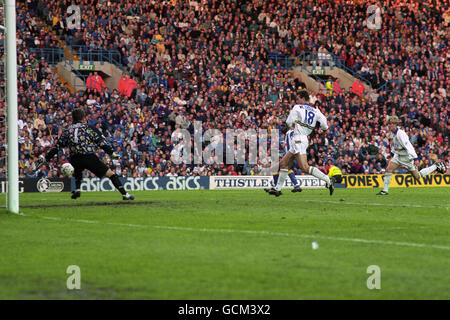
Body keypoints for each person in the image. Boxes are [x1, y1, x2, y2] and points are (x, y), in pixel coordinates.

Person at [35, 108, 135, 200]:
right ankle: (125, 194)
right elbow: (101, 142)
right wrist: (111, 153)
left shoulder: (67, 130)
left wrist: (45, 158)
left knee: (78, 173)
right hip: (88, 156)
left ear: (73, 118)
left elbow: (56, 147)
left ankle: (78, 189)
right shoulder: (88, 128)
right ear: (83, 117)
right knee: (111, 174)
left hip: (74, 158)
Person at [268, 90, 335, 196]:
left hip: (299, 139)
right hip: (303, 139)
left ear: (303, 99)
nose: (297, 100)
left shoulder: (297, 108)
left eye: (298, 98)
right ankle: (278, 188)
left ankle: (328, 180)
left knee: (304, 167)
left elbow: (289, 122)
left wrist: (291, 124)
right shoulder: (316, 110)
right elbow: (325, 126)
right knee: (283, 163)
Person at [376, 115, 446, 195]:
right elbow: (394, 144)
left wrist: (415, 158)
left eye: (390, 124)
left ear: (395, 124)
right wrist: (392, 153)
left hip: (406, 158)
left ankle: (435, 166)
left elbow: (409, 146)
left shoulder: (401, 134)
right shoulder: (393, 133)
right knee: (388, 169)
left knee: (417, 176)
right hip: (398, 156)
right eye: (388, 124)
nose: (389, 125)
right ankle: (385, 191)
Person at [264, 122, 302, 193]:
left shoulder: (289, 133)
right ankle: (295, 185)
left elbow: (289, 146)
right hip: (291, 155)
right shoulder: (289, 135)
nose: (282, 128)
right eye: (281, 127)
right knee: (282, 169)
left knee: (277, 169)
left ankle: (278, 188)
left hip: (290, 155)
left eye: (284, 127)